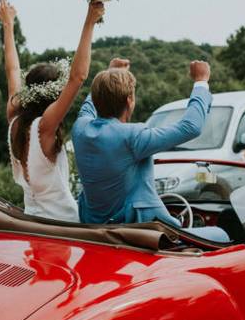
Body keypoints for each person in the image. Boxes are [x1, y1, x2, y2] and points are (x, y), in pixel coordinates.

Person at [71, 58, 230, 243]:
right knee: (222, 234)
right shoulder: (133, 136)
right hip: (147, 232)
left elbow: (90, 104)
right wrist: (201, 81)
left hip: (96, 230)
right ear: (130, 101)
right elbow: (191, 127)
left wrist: (111, 73)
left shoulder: (80, 129)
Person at [0, 0, 103, 222]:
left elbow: (12, 71)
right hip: (63, 225)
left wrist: (7, 25)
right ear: (53, 96)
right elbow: (78, 77)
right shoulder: (44, 127)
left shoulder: (14, 120)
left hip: (31, 222)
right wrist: (90, 21)